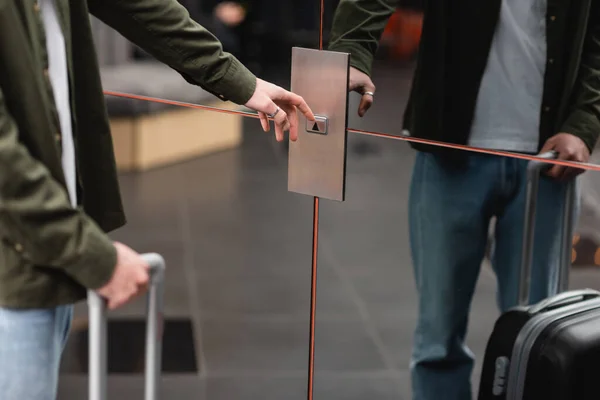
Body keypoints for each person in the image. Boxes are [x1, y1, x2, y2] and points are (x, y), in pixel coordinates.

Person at [0, 0, 314, 398]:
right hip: (15, 260)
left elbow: (140, 7)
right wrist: (89, 253)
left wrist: (241, 82)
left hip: (45, 250)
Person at [329, 1, 600, 399]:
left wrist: (584, 123)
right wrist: (352, 51)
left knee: (541, 335)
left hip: (547, 161)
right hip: (449, 151)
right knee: (438, 338)